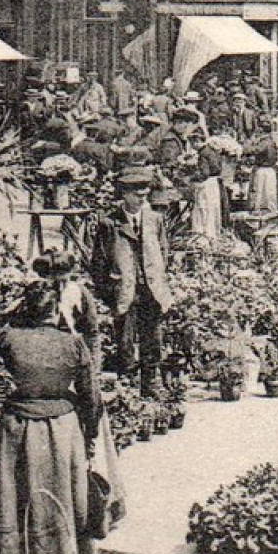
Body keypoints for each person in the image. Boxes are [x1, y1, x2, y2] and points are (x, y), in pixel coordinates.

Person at [0, 280, 107, 554]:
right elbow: (91, 397)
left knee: (17, 496)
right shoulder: (73, 343)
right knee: (62, 495)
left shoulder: (11, 337)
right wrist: (90, 435)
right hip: (63, 428)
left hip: (18, 427)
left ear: (26, 309)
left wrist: (8, 313)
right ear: (56, 309)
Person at [103, 168, 172, 396]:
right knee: (124, 341)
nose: (141, 199)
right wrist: (110, 289)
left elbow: (164, 251)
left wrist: (159, 280)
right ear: (124, 194)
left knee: (152, 338)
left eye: (144, 194)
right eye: (136, 195)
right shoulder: (110, 223)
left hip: (151, 290)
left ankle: (150, 383)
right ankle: (128, 387)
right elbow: (99, 261)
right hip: (124, 291)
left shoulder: (154, 220)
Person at [245, 115, 278, 212]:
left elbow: (253, 150)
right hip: (270, 169)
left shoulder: (265, 142)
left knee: (260, 193)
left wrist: (249, 143)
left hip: (263, 169)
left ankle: (260, 212)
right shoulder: (270, 141)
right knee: (269, 193)